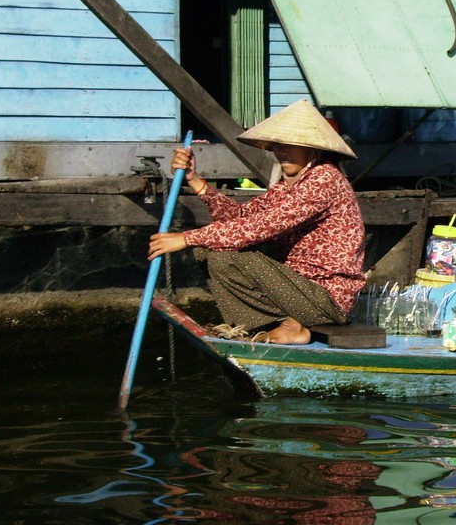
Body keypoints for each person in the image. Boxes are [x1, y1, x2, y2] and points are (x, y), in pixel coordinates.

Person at [147, 100, 366, 345]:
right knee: (207, 253)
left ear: (312, 150)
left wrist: (186, 238)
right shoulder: (286, 187)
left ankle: (291, 327)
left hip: (327, 299)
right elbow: (242, 218)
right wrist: (196, 181)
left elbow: (258, 228)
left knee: (225, 257)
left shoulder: (324, 179)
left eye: (291, 145)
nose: (282, 151)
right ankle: (276, 325)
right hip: (295, 290)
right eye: (278, 145)